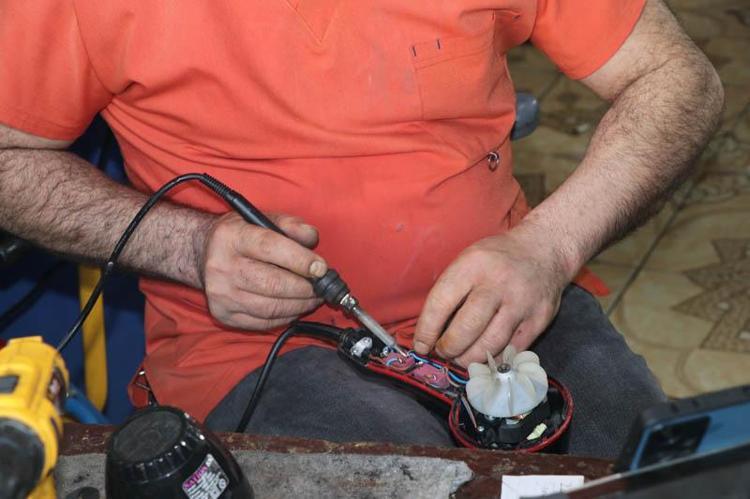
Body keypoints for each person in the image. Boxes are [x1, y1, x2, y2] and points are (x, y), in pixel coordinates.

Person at [0, 0, 722, 458]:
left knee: (654, 470)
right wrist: (186, 245)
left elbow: (676, 78)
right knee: (406, 477)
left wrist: (549, 246)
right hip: (253, 349)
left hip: (508, 302)